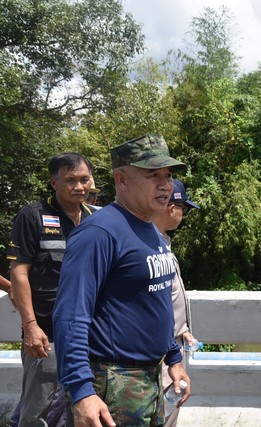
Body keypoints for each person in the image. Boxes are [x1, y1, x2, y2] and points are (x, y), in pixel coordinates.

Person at [53, 134, 191, 426]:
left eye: (167, 175)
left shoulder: (151, 230)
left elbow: (156, 302)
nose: (165, 184)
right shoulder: (99, 233)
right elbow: (71, 315)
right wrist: (81, 391)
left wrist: (174, 358)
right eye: (152, 175)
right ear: (122, 180)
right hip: (111, 383)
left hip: (149, 380)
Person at [7, 153, 95, 427]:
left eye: (84, 180)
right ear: (53, 182)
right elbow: (19, 273)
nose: (79, 187)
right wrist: (31, 327)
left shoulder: (96, 218)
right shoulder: (32, 216)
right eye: (70, 180)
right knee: (39, 411)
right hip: (47, 335)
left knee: (81, 408)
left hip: (88, 334)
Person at [151, 178, 200, 427]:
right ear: (172, 208)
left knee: (169, 409)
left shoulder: (160, 243)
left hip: (171, 346)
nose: (182, 215)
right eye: (183, 209)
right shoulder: (150, 246)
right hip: (162, 353)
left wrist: (184, 330)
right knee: (162, 413)